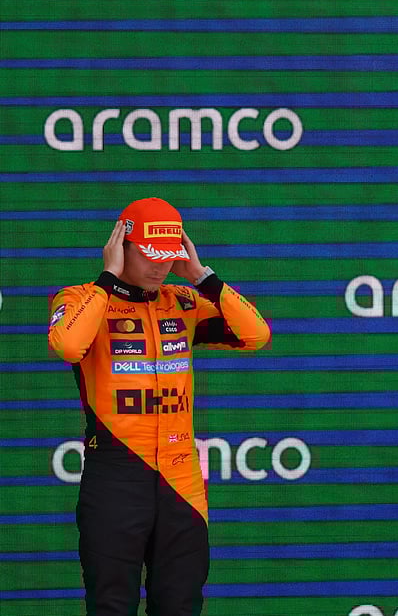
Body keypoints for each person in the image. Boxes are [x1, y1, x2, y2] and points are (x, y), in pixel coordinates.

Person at [48, 197, 271, 615]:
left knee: (180, 606)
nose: (159, 267)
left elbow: (256, 335)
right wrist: (107, 279)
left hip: (181, 479)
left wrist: (203, 277)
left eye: (169, 257)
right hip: (115, 476)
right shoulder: (81, 297)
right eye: (149, 255)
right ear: (121, 245)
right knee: (111, 605)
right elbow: (68, 345)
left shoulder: (184, 302)